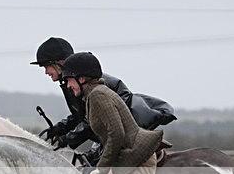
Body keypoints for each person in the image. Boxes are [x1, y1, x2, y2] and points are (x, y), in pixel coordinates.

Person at [30, 37, 175, 160]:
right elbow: (82, 115)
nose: (46, 72)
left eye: (46, 66)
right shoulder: (73, 82)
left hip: (125, 138)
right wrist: (59, 128)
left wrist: (68, 138)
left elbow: (92, 119)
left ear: (60, 63)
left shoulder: (91, 86)